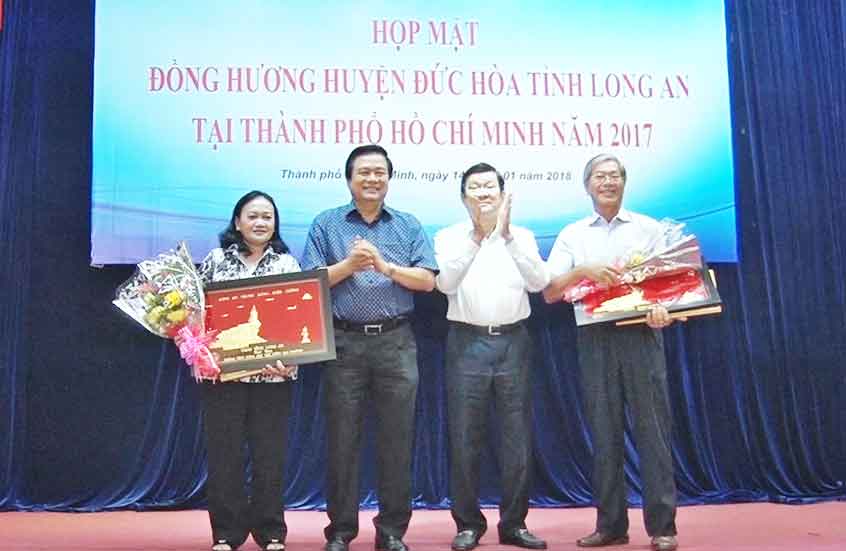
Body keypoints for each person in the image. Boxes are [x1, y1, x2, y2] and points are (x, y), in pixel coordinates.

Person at [301, 145, 437, 551]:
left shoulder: (408, 225)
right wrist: (349, 266)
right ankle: (341, 532)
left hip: (396, 343)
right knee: (342, 441)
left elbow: (427, 281)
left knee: (397, 440)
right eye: (364, 172)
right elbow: (310, 283)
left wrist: (384, 267)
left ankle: (392, 531)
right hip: (344, 343)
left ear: (389, 179)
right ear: (349, 179)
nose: (373, 179)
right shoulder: (326, 224)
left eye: (380, 172)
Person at [543, 154, 680, 551]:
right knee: (603, 434)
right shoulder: (573, 235)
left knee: (653, 432)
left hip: (641, 334)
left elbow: (673, 285)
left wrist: (665, 311)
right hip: (594, 337)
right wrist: (583, 269)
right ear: (587, 186)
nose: (607, 182)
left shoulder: (650, 229)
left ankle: (663, 528)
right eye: (599, 177)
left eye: (614, 175)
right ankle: (611, 525)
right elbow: (551, 292)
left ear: (624, 182)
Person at [434, 163, 549, 551]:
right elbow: (445, 283)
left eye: (490, 187)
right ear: (464, 197)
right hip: (466, 343)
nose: (483, 193)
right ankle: (468, 524)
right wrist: (478, 237)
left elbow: (539, 283)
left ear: (502, 194)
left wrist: (508, 236)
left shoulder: (524, 236)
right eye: (475, 187)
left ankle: (514, 524)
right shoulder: (449, 236)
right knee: (465, 438)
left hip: (514, 343)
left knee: (516, 439)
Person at [195, 190, 300, 551]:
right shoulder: (214, 261)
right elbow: (197, 315)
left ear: (275, 224)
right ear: (237, 221)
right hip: (223, 376)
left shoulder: (287, 264)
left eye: (267, 217)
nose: (260, 222)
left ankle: (271, 532)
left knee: (270, 455)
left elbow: (297, 321)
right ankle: (226, 533)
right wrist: (200, 351)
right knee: (225, 456)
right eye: (252, 215)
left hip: (273, 376)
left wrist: (292, 358)